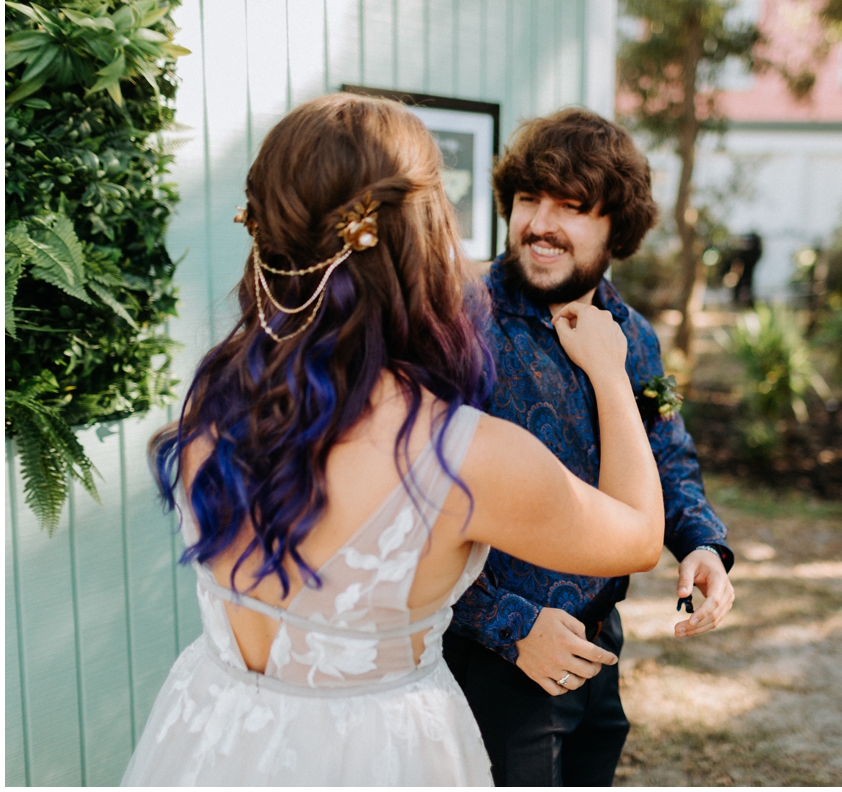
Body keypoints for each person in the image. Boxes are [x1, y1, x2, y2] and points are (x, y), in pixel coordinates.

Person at [121, 93, 665, 786]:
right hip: (377, 758)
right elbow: (641, 535)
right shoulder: (461, 453)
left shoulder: (214, 403)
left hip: (212, 739)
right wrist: (611, 376)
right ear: (421, 235)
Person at [443, 108, 736, 787]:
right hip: (491, 660)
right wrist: (509, 625)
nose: (541, 223)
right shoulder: (456, 321)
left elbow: (667, 452)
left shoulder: (630, 332)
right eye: (527, 199)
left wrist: (702, 545)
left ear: (616, 229)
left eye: (572, 206)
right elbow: (408, 498)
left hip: (600, 649)